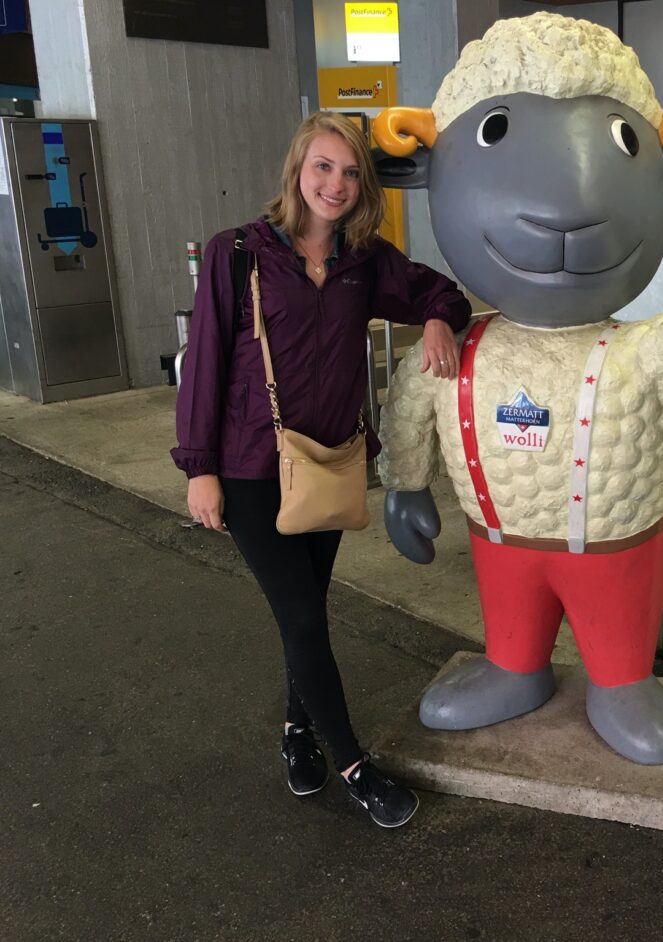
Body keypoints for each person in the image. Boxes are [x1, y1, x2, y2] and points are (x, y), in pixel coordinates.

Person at [171, 112, 471, 828]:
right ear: (296, 171)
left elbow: (444, 293)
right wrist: (198, 467)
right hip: (249, 468)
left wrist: (435, 319)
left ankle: (295, 731)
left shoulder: (364, 261)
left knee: (304, 608)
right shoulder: (236, 253)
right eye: (322, 167)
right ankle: (353, 765)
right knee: (302, 616)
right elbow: (205, 362)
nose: (334, 185)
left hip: (330, 463)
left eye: (348, 173)